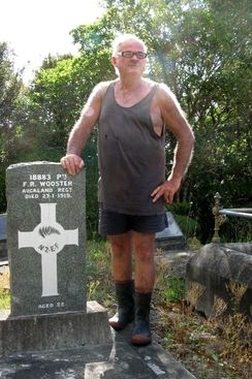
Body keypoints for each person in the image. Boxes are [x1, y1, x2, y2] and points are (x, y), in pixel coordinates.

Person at [60, 34, 194, 345]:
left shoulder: (160, 95)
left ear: (145, 60)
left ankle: (143, 320)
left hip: (148, 195)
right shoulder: (103, 92)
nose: (135, 58)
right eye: (127, 53)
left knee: (144, 252)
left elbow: (186, 136)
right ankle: (124, 310)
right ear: (115, 60)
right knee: (118, 250)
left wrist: (174, 180)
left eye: (141, 54)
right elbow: (83, 123)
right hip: (112, 193)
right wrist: (72, 152)